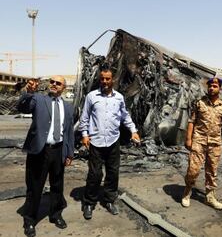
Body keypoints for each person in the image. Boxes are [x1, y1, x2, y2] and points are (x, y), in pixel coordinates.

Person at [78, 67, 140, 220]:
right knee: (95, 174)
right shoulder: (92, 96)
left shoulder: (119, 98)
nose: (105, 82)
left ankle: (109, 200)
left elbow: (125, 116)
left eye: (108, 79)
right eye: (102, 79)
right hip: (96, 142)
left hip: (113, 141)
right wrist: (84, 135)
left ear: (113, 80)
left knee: (113, 173)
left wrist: (133, 130)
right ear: (100, 80)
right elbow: (84, 117)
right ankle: (89, 203)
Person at [17, 76, 74, 237]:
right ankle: (29, 220)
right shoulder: (38, 99)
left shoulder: (68, 107)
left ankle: (56, 215)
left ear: (64, 87)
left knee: (57, 185)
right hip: (39, 151)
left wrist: (70, 153)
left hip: (58, 150)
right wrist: (28, 92)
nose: (54, 85)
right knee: (35, 187)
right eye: (52, 82)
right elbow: (22, 107)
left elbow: (69, 132)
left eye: (58, 83)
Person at [181, 77, 222, 210]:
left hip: (215, 143)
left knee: (212, 171)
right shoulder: (199, 103)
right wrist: (188, 139)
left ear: (220, 89)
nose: (212, 88)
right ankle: (187, 192)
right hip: (199, 141)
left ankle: (210, 197)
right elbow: (191, 121)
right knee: (193, 170)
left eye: (215, 86)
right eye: (210, 86)